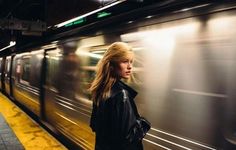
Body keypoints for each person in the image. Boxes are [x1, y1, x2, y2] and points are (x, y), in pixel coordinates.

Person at [89, 42, 150, 150]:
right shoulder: (121, 95)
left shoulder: (100, 90)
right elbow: (128, 140)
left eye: (131, 62)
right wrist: (142, 124)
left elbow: (95, 125)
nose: (130, 66)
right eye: (125, 61)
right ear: (111, 64)